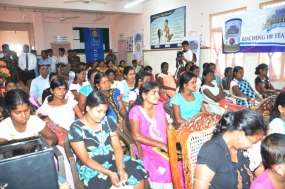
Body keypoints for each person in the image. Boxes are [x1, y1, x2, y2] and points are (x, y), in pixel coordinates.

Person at [69, 91, 148, 189]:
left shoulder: (108, 121)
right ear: (88, 108)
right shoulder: (76, 128)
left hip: (113, 159)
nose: (102, 115)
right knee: (101, 183)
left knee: (136, 170)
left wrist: (120, 168)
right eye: (99, 111)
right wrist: (109, 173)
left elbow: (117, 147)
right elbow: (85, 159)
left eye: (104, 111)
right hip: (91, 166)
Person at [194, 110, 268, 189]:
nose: (252, 146)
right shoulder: (211, 151)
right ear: (241, 135)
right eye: (252, 142)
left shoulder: (241, 149)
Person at [129, 81, 184, 188]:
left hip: (162, 142)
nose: (158, 96)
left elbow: (164, 128)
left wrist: (171, 142)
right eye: (153, 93)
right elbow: (136, 136)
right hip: (147, 146)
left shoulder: (158, 106)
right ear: (144, 95)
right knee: (167, 165)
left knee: (181, 159)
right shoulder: (136, 111)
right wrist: (161, 145)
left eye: (158, 93)